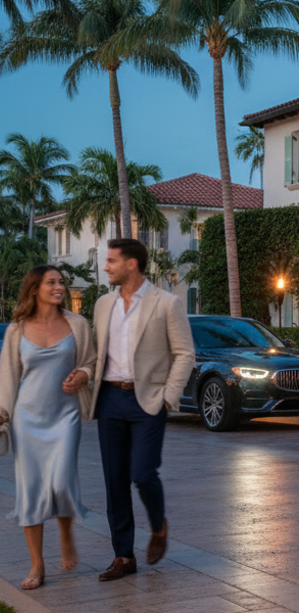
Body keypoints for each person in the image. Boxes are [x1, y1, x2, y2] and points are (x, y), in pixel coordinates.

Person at [88, 238, 195, 582]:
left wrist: (168, 396)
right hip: (110, 399)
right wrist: (85, 374)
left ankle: (158, 524)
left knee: (143, 473)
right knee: (114, 480)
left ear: (131, 264)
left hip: (148, 400)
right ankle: (123, 556)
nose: (106, 267)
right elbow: (97, 352)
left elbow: (184, 353)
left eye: (111, 261)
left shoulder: (166, 303)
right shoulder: (103, 304)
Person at [0, 266, 95, 590]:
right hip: (28, 418)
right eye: (51, 282)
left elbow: (92, 361)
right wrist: (3, 411)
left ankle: (66, 532)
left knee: (62, 480)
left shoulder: (77, 324)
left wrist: (83, 373)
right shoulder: (17, 329)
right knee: (32, 490)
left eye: (60, 282)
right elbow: (9, 374)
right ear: (35, 289)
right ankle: (37, 564)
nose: (59, 287)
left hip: (65, 416)